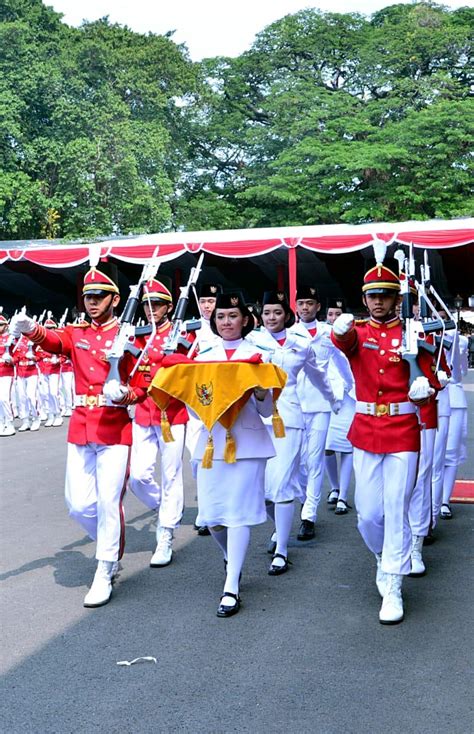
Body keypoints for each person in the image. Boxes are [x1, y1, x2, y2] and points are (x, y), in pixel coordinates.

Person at [9, 262, 146, 608]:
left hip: (114, 427)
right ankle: (110, 544)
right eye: (88, 298)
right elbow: (54, 342)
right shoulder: (78, 332)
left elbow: (144, 384)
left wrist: (125, 395)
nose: (92, 303)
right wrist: (30, 329)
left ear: (114, 300)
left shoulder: (129, 336)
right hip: (81, 426)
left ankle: (105, 567)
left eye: (99, 297)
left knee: (107, 503)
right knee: (78, 504)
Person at [331, 259, 435, 624]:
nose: (378, 302)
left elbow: (429, 378)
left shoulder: (411, 331)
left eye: (385, 296)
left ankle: (393, 583)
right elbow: (343, 341)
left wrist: (424, 390)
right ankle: (382, 556)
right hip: (365, 428)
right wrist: (340, 328)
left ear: (395, 300)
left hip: (403, 429)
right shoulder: (359, 332)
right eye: (372, 296)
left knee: (395, 504)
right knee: (368, 514)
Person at [192, 291, 277, 617]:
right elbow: (193, 405)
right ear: (214, 321)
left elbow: (268, 409)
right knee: (212, 517)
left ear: (245, 319)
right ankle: (232, 560)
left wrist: (258, 391)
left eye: (233, 316)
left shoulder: (258, 354)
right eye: (221, 317)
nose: (227, 322)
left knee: (238, 514)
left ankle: (231, 587)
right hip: (212, 443)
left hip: (248, 443)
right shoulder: (203, 355)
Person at [249, 290, 325, 574]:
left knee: (280, 485)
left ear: (287, 315)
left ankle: (281, 549)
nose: (271, 318)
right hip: (255, 420)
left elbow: (317, 376)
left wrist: (334, 399)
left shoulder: (301, 344)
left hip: (288, 418)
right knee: (261, 490)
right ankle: (278, 528)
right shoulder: (251, 342)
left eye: (277, 312)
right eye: (267, 312)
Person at [128, 277, 188, 567]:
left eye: (157, 304)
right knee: (138, 476)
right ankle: (165, 506)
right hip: (142, 411)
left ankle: (165, 533)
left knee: (171, 475)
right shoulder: (137, 335)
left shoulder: (183, 335)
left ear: (169, 307)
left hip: (172, 413)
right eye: (147, 304)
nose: (151, 309)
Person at [291, 287, 339, 540]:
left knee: (314, 460)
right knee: (297, 461)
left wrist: (341, 397)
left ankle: (309, 514)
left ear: (318, 306)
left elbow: (342, 365)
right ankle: (302, 500)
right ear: (296, 306)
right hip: (295, 403)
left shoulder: (329, 333)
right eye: (301, 303)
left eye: (310, 303)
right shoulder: (289, 335)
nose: (306, 307)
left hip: (320, 403)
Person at [324, 298, 356, 516]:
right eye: (330, 314)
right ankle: (334, 487)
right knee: (326, 448)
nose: (333, 318)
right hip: (325, 397)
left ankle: (343, 495)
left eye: (337, 314)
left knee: (346, 448)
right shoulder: (321, 335)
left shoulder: (353, 335)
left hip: (348, 398)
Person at [0, 311, 16, 436]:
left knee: (4, 398)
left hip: (6, 372)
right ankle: (1, 423)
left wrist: (10, 359)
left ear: (6, 325)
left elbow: (18, 356)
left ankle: (10, 423)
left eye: (1, 324)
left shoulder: (11, 338)